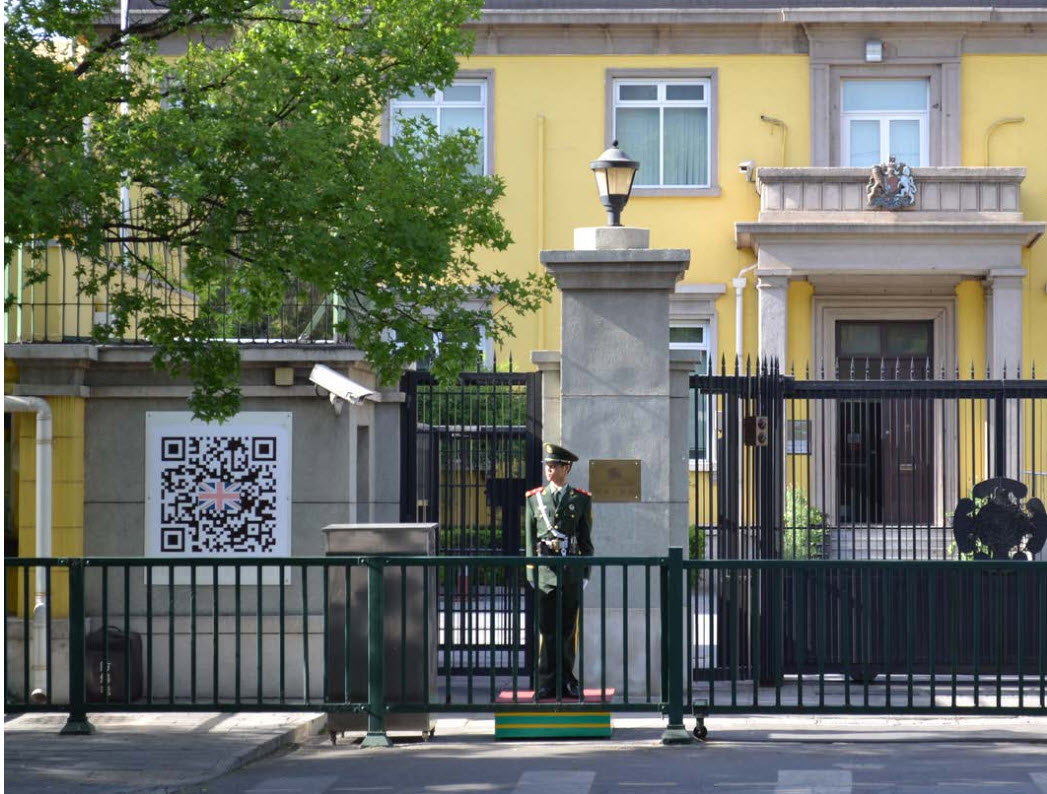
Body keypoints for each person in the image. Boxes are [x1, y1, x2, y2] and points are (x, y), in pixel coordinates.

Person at [524, 442, 594, 700]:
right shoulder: (534, 499)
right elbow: (530, 541)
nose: (549, 470)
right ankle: (546, 681)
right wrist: (531, 573)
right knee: (546, 631)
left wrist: (585, 574)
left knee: (568, 631)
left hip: (571, 573)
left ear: (567, 468)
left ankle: (567, 679)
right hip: (545, 574)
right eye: (547, 466)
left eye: (554, 466)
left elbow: (586, 542)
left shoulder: (580, 499)